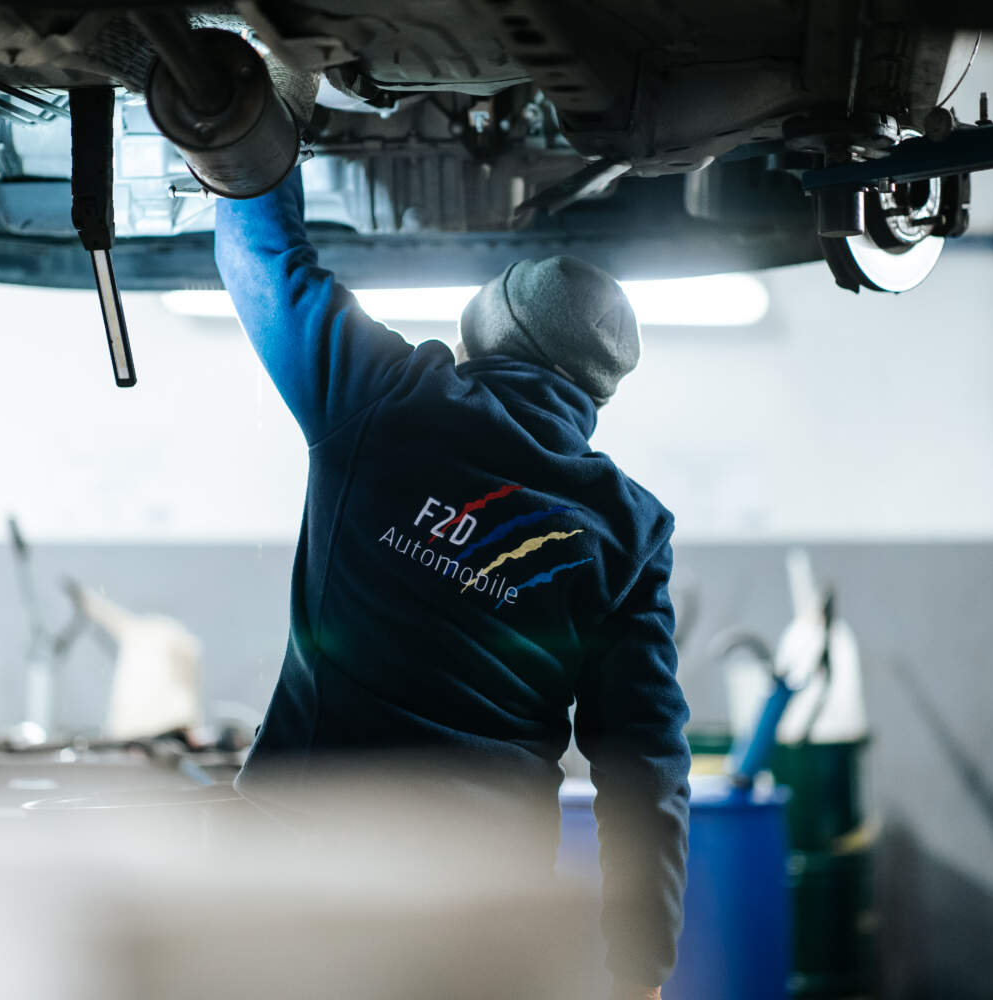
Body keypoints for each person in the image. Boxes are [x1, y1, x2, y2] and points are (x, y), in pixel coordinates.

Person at [215, 167, 690, 1000]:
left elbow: (265, 260)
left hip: (293, 861)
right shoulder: (627, 532)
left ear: (479, 335)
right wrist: (639, 970)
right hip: (478, 903)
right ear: (594, 394)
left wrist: (247, 140)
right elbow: (644, 765)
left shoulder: (385, 395)